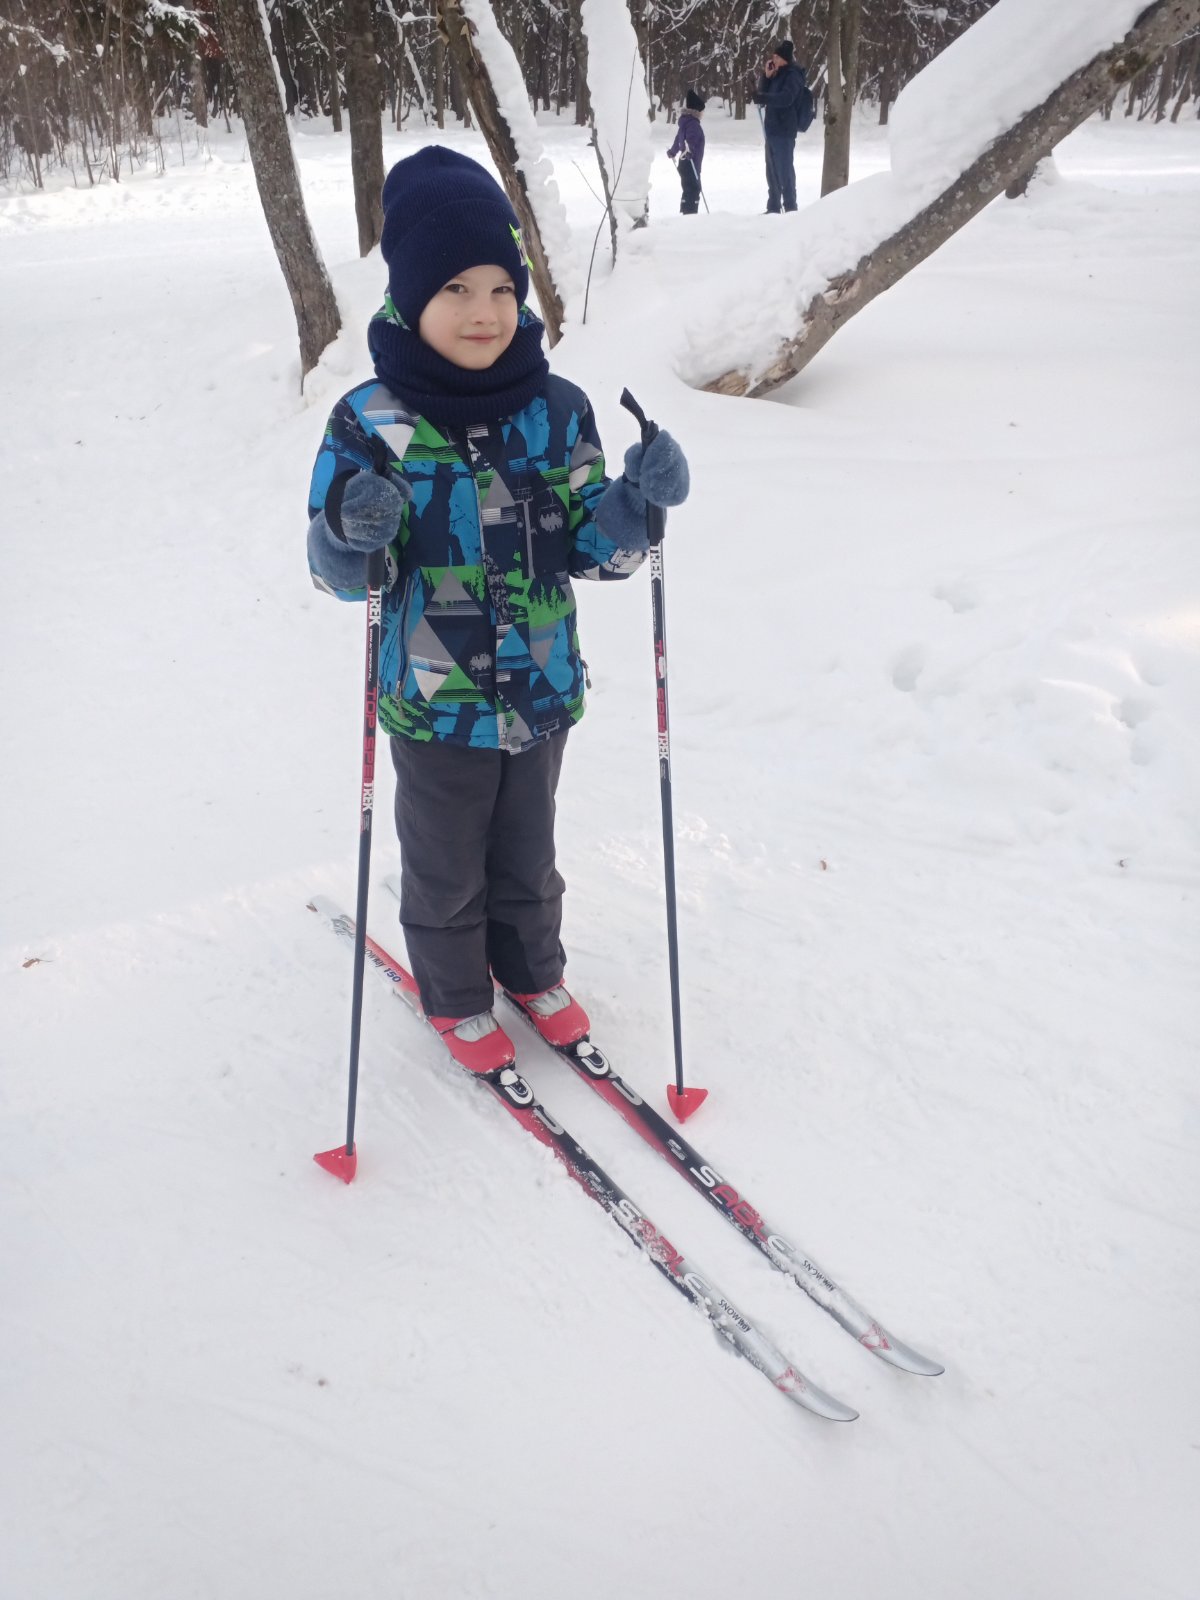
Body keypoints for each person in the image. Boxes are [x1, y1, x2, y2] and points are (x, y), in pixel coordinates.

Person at [306, 147, 690, 1075]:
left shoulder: (557, 412)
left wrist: (637, 507)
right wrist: (350, 532)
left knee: (529, 851)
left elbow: (597, 550)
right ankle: (453, 993)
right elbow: (337, 575)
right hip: (435, 701)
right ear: (408, 298)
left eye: (500, 289)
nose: (483, 312)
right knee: (446, 862)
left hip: (543, 685)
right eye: (456, 289)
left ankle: (530, 969)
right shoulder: (372, 421)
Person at [753, 38, 811, 214]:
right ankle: (773, 206)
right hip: (771, 128)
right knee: (771, 169)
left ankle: (790, 206)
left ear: (783, 59)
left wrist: (763, 98)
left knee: (784, 168)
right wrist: (766, 76)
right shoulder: (777, 74)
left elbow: (787, 98)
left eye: (776, 57)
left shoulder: (793, 75)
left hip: (785, 129)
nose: (773, 61)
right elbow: (764, 93)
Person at [666, 89, 706, 215]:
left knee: (687, 188)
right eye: (702, 111)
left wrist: (673, 151)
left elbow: (678, 139)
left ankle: (686, 211)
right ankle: (690, 213)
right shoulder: (694, 124)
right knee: (694, 188)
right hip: (691, 162)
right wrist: (690, 152)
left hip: (684, 163)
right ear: (697, 111)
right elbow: (691, 140)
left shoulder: (685, 123)